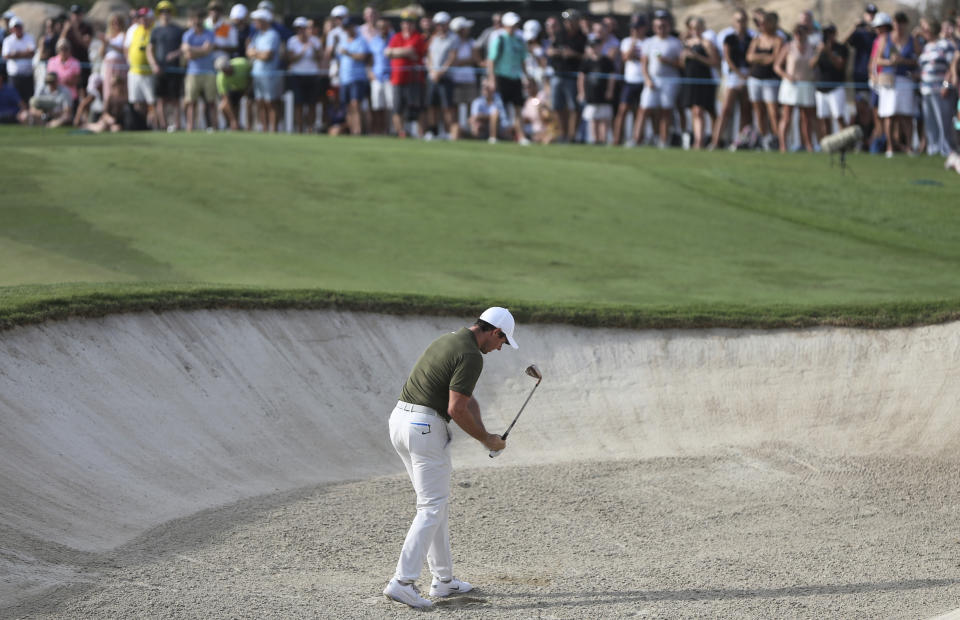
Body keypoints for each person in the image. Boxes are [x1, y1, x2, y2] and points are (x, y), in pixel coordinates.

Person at [382, 307, 514, 610]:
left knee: (434, 503)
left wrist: (486, 434)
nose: (500, 348)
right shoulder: (471, 356)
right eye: (502, 342)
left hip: (400, 423)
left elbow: (467, 400)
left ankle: (443, 580)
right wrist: (485, 439)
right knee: (431, 507)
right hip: (425, 428)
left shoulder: (449, 340)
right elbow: (456, 410)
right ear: (495, 332)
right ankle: (402, 582)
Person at [873, 11, 917, 157]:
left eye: (901, 23)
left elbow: (918, 60)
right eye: (896, 22)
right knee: (889, 115)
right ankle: (889, 147)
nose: (898, 26)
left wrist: (903, 61)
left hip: (905, 79)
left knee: (906, 115)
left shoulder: (911, 39)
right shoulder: (886, 39)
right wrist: (890, 62)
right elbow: (877, 60)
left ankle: (909, 146)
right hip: (889, 80)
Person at [709, 9, 752, 150]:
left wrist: (748, 73)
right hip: (733, 76)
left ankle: (741, 141)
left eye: (743, 20)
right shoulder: (729, 38)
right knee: (726, 109)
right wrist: (739, 73)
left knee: (745, 110)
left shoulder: (751, 37)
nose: (741, 23)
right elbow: (727, 58)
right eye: (738, 20)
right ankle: (716, 141)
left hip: (747, 75)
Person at [640, 10, 683, 148]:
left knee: (666, 110)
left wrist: (667, 61)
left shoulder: (675, 43)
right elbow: (644, 64)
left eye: (664, 26)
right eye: (658, 26)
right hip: (652, 80)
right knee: (645, 109)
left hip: (669, 81)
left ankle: (664, 141)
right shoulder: (649, 42)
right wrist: (647, 79)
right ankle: (636, 139)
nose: (661, 29)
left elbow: (681, 64)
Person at [486, 11, 527, 144]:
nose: (512, 27)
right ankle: (493, 136)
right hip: (501, 78)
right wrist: (492, 80)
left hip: (515, 78)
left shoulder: (520, 40)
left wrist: (526, 77)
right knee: (498, 108)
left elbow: (523, 60)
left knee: (518, 108)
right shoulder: (499, 39)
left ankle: (521, 137)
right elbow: (491, 60)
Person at [774, 23, 817, 153]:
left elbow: (813, 66)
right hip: (791, 86)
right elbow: (777, 66)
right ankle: (783, 146)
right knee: (786, 117)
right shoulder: (788, 47)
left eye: (801, 32)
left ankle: (808, 145)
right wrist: (787, 76)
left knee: (806, 117)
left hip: (806, 84)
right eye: (796, 32)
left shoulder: (812, 48)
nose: (798, 35)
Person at [918, 19, 957, 156]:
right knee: (930, 122)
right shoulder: (927, 46)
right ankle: (933, 149)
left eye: (925, 28)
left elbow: (953, 66)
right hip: (926, 90)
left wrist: (946, 85)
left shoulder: (945, 45)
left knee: (944, 122)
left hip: (942, 90)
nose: (923, 31)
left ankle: (948, 150)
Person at [546, 10, 585, 142]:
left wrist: (573, 54)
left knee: (574, 107)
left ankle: (572, 136)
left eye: (570, 20)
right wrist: (557, 52)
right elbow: (550, 50)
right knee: (558, 106)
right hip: (558, 74)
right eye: (566, 21)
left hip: (573, 76)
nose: (568, 23)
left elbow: (586, 56)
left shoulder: (582, 37)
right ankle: (563, 134)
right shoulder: (560, 34)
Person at [385, 12, 427, 138]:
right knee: (397, 108)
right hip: (397, 79)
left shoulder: (418, 37)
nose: (407, 25)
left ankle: (421, 134)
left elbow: (411, 51)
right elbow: (387, 52)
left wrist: (395, 52)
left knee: (417, 108)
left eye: (410, 22)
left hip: (414, 79)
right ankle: (401, 133)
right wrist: (402, 52)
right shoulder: (396, 37)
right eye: (405, 22)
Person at [746, 10, 783, 150]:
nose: (761, 25)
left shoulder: (778, 40)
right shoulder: (757, 39)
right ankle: (763, 139)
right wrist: (764, 58)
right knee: (759, 111)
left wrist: (758, 57)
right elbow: (749, 57)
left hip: (770, 80)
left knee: (773, 112)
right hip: (755, 79)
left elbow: (775, 59)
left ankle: (777, 139)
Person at [680, 16, 719, 150]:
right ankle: (698, 140)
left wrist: (697, 56)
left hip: (703, 80)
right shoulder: (687, 43)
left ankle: (703, 140)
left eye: (697, 27)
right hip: (690, 80)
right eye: (692, 27)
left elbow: (714, 62)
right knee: (695, 111)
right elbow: (681, 64)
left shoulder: (706, 43)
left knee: (702, 110)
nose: (695, 30)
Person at [149, 1, 184, 131]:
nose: (165, 14)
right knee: (161, 99)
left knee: (175, 99)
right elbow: (150, 49)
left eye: (167, 11)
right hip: (160, 70)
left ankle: (177, 125)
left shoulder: (178, 30)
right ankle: (163, 125)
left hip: (174, 69)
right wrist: (154, 65)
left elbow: (183, 48)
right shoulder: (156, 30)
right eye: (163, 11)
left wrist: (175, 54)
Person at [181, 9, 217, 131]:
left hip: (208, 72)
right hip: (192, 72)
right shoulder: (187, 35)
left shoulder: (209, 33)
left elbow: (207, 50)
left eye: (199, 18)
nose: (197, 21)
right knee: (191, 102)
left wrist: (192, 49)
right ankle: (190, 127)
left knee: (211, 102)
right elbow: (187, 54)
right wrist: (201, 50)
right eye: (195, 18)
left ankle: (214, 127)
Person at [247, 8, 282, 132]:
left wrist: (255, 53)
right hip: (257, 74)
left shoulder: (273, 34)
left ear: (264, 21)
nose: (255, 23)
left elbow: (267, 56)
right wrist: (258, 53)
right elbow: (249, 51)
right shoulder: (257, 35)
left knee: (270, 103)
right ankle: (265, 128)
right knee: (260, 102)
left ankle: (273, 129)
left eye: (257, 20)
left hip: (269, 74)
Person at [287, 16, 322, 133]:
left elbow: (319, 58)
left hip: (312, 75)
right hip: (297, 75)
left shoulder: (315, 41)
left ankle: (310, 129)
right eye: (298, 28)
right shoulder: (292, 41)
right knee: (299, 104)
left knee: (312, 104)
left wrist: (313, 48)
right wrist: (303, 51)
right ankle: (300, 129)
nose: (300, 31)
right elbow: (291, 59)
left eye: (302, 28)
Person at [336, 16, 371, 135]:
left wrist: (349, 53)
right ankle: (352, 130)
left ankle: (359, 130)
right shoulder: (343, 41)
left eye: (348, 27)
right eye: (345, 28)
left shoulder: (361, 40)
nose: (347, 30)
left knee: (355, 104)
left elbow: (362, 56)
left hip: (357, 77)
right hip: (344, 78)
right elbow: (339, 60)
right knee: (347, 106)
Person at [578, 33, 615, 144]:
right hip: (591, 94)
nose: (594, 49)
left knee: (604, 117)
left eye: (596, 46)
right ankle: (595, 139)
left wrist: (610, 90)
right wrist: (581, 92)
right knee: (593, 118)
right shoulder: (586, 62)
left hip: (603, 94)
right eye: (592, 47)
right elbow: (581, 78)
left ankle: (603, 139)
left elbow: (612, 77)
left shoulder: (606, 61)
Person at [425, 11, 457, 139]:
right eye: (438, 24)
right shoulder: (433, 38)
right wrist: (432, 71)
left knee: (447, 107)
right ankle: (433, 132)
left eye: (442, 24)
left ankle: (448, 132)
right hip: (432, 77)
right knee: (432, 106)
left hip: (446, 77)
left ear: (447, 24)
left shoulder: (453, 38)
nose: (439, 27)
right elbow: (429, 56)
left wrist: (441, 72)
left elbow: (452, 58)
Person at [615, 15, 646, 146]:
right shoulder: (626, 41)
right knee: (623, 109)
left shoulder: (648, 42)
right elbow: (625, 58)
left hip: (643, 81)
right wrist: (632, 47)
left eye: (637, 28)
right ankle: (617, 139)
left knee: (639, 111)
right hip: (630, 80)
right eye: (633, 28)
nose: (635, 31)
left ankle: (637, 139)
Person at [813, 24, 849, 137]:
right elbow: (811, 65)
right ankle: (828, 143)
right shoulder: (819, 48)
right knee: (823, 118)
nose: (828, 36)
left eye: (831, 33)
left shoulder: (841, 48)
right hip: (821, 88)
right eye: (826, 34)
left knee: (838, 116)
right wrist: (820, 52)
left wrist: (829, 52)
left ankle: (844, 143)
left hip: (836, 88)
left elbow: (840, 65)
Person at [125, 7, 157, 126]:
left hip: (149, 73)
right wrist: (129, 61)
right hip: (134, 71)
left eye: (145, 17)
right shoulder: (133, 30)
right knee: (136, 102)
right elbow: (126, 47)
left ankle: (152, 125)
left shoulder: (155, 29)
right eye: (140, 17)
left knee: (151, 102)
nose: (142, 19)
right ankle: (141, 124)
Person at [448, 16, 479, 138]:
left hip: (469, 79)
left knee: (471, 107)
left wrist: (460, 62)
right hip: (455, 79)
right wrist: (464, 61)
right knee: (454, 108)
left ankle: (471, 132)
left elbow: (474, 59)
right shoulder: (452, 42)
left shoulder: (471, 41)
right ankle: (455, 133)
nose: (468, 30)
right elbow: (453, 60)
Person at [366, 16, 393, 135]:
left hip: (390, 77)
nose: (383, 29)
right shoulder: (374, 41)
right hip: (376, 77)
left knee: (390, 106)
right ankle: (378, 131)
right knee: (377, 106)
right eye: (380, 27)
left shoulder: (394, 39)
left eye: (385, 27)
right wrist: (370, 72)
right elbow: (369, 60)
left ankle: (389, 130)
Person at [2, 17, 36, 104]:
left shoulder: (29, 37)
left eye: (19, 26)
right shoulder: (8, 40)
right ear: (12, 29)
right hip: (14, 77)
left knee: (29, 99)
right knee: (15, 100)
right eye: (15, 27)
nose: (18, 29)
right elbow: (6, 55)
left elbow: (32, 53)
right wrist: (25, 53)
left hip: (27, 76)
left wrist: (15, 54)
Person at [215, 53, 250, 129]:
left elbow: (252, 73)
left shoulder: (242, 63)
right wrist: (233, 120)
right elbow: (225, 99)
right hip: (233, 91)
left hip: (248, 86)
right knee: (224, 107)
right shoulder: (220, 78)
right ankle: (231, 124)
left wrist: (248, 87)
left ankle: (249, 127)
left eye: (225, 70)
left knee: (250, 101)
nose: (225, 73)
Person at [101, 13, 127, 110]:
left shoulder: (124, 35)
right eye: (113, 23)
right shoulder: (108, 35)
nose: (116, 25)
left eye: (118, 23)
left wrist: (110, 43)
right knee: (108, 91)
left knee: (120, 90)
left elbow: (124, 51)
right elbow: (102, 54)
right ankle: (106, 114)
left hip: (120, 66)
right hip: (109, 66)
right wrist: (104, 43)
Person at [47, 39, 81, 104]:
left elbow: (77, 80)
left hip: (70, 96)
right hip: (55, 97)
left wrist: (67, 81)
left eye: (66, 48)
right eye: (61, 48)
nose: (63, 51)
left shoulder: (75, 62)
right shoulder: (51, 61)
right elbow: (49, 79)